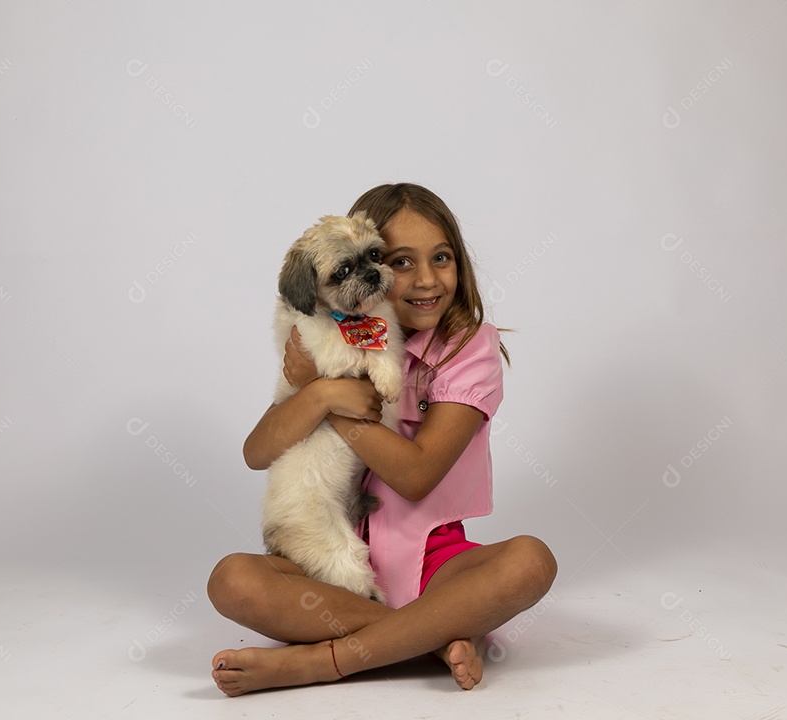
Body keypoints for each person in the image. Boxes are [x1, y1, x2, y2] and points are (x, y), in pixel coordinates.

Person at [208, 183, 557, 695]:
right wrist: (318, 392)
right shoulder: (333, 337)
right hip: (334, 553)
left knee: (530, 561)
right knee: (232, 579)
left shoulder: (470, 350)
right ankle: (432, 635)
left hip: (435, 559)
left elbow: (415, 476)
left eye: (441, 258)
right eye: (402, 261)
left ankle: (320, 662)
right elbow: (256, 452)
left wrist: (327, 396)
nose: (425, 279)